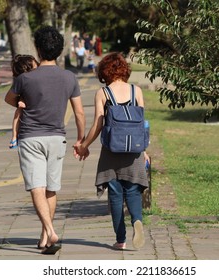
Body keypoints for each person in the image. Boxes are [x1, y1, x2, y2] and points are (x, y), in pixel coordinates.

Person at [4, 26, 86, 254]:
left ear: (38, 49)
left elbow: (9, 99)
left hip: (31, 137)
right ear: (59, 50)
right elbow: (79, 113)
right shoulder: (69, 77)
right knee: (51, 188)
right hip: (57, 138)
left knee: (36, 186)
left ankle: (49, 231)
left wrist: (22, 102)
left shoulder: (25, 78)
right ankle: (45, 237)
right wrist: (81, 140)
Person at [74, 52, 150, 250]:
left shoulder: (103, 93)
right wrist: (144, 150)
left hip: (111, 151)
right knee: (133, 190)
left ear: (104, 72)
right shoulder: (137, 91)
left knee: (115, 194)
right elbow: (142, 124)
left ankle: (120, 239)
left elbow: (98, 124)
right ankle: (137, 221)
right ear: (124, 70)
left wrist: (84, 146)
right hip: (134, 151)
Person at [8, 54, 39, 149]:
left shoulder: (23, 80)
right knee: (18, 112)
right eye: (35, 67)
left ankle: (14, 137)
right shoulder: (24, 80)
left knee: (18, 112)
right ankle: (14, 136)